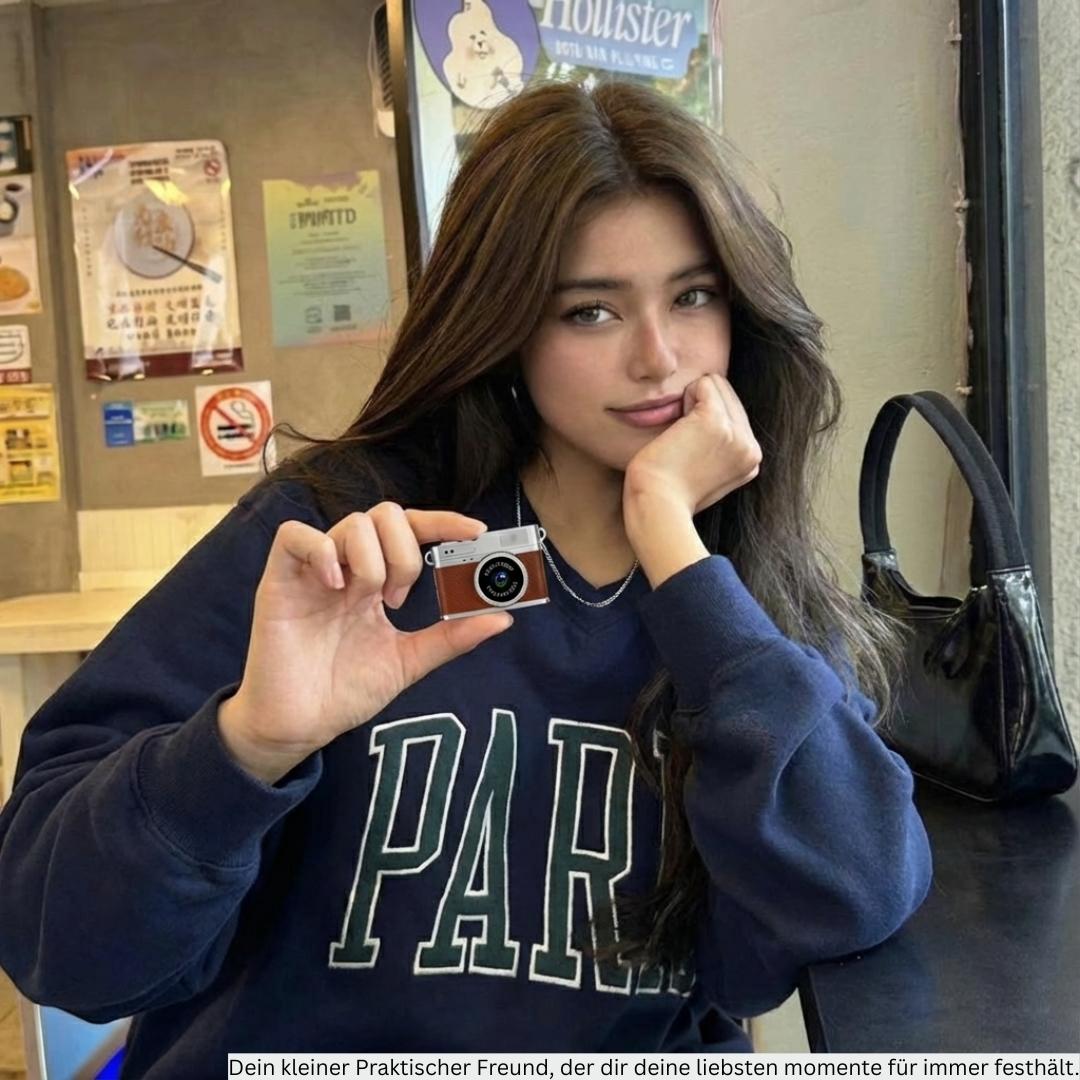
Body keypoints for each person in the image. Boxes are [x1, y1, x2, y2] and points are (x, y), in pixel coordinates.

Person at [0, 79, 932, 1073]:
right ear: (509, 323)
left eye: (693, 296)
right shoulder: (343, 542)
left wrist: (669, 536)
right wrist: (247, 745)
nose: (659, 358)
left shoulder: (745, 607)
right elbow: (62, 944)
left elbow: (849, 897)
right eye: (590, 312)